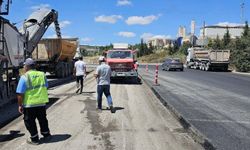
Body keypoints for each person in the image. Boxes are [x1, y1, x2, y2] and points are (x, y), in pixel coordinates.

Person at [16, 58, 51, 145]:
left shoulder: (24, 77)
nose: (24, 67)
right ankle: (46, 135)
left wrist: (20, 105)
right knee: (43, 119)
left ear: (27, 67)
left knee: (29, 122)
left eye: (24, 65)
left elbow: (20, 94)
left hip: (29, 104)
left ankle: (35, 139)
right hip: (41, 103)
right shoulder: (42, 74)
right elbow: (46, 86)